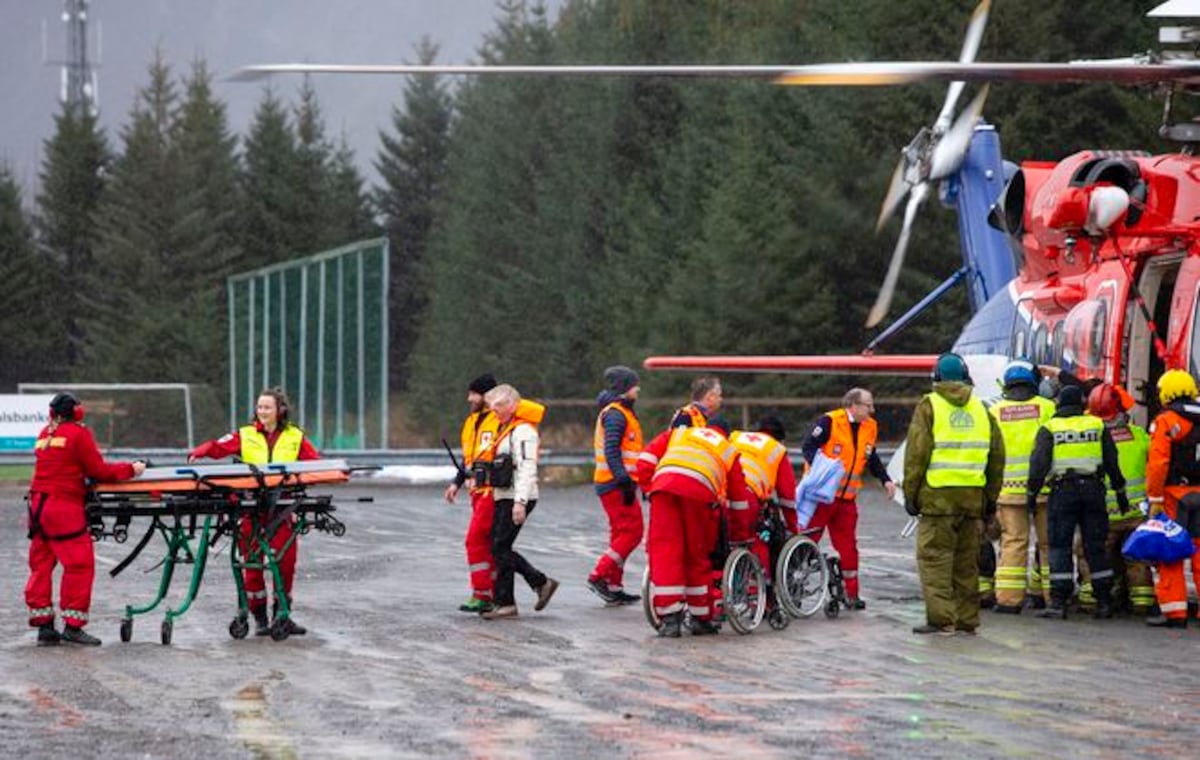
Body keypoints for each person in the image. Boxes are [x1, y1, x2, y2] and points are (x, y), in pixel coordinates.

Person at [189, 387, 319, 637]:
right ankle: (259, 617)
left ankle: (283, 615)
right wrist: (200, 451)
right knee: (252, 564)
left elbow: (314, 463)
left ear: (280, 410)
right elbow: (219, 446)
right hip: (250, 509)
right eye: (260, 407)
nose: (262, 412)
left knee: (286, 563)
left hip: (282, 510)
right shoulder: (246, 434)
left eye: (267, 407)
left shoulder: (295, 436)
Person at [26, 393, 146, 646]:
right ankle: (73, 626)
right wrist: (131, 469)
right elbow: (99, 471)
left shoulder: (45, 434)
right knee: (79, 565)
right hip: (63, 509)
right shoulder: (77, 434)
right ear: (77, 412)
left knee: (41, 565)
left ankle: (44, 627)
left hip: (38, 507)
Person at [903, 353, 1005, 636]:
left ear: (936, 377)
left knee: (935, 561)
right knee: (966, 565)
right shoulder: (982, 408)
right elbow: (997, 457)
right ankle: (967, 620)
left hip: (937, 500)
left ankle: (940, 620)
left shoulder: (929, 406)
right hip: (972, 501)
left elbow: (916, 454)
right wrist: (989, 501)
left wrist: (911, 496)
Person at [638, 420, 751, 637]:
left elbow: (644, 462)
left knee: (664, 552)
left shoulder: (679, 434)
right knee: (696, 554)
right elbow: (739, 501)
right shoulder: (728, 449)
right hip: (699, 494)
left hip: (664, 489)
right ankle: (701, 617)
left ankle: (670, 619)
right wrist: (740, 535)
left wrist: (650, 489)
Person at [1025, 384, 1129, 620]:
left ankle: (1058, 603)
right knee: (1095, 546)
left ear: (1059, 403)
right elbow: (1112, 462)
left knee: (1060, 546)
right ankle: (1104, 601)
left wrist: (1031, 495)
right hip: (1093, 490)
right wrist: (1120, 493)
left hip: (1063, 492)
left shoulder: (1050, 427)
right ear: (1082, 405)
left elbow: (1038, 464)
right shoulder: (1097, 425)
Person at [800, 387, 897, 608]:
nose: (872, 410)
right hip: (821, 497)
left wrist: (885, 479)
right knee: (807, 540)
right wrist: (822, 471)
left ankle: (851, 594)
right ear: (853, 405)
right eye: (868, 405)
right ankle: (793, 583)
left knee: (848, 547)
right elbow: (808, 447)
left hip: (846, 500)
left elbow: (870, 456)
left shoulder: (870, 427)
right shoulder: (829, 422)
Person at [478, 384, 558, 620]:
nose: (495, 411)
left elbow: (526, 468)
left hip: (517, 497)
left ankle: (538, 584)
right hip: (504, 495)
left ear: (514, 404)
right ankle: (507, 601)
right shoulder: (506, 428)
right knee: (499, 547)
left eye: (500, 406)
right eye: (492, 407)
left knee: (499, 547)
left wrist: (520, 502)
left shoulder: (523, 432)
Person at [988, 358, 1056, 614]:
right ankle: (1052, 597)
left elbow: (990, 453)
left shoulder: (994, 412)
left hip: (1008, 491)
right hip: (1045, 490)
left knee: (1013, 542)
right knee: (1048, 544)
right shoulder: (1048, 408)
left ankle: (1008, 600)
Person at [1080, 383, 1154, 616]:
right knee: (1137, 557)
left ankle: (1091, 597)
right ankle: (1142, 601)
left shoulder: (1090, 439)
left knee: (1091, 553)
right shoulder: (1140, 436)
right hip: (1136, 513)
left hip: (1104, 514)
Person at [1143, 370, 1200, 628]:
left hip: (1174, 495)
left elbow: (1158, 463)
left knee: (1171, 553)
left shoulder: (1166, 421)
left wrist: (1154, 496)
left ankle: (1174, 613)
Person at [586, 366, 645, 606]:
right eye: (634, 385)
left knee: (620, 534)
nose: (638, 389)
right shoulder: (616, 414)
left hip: (614, 483)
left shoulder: (620, 412)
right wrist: (624, 480)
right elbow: (612, 451)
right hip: (616, 484)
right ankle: (598, 576)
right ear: (624, 388)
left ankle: (613, 584)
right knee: (632, 533)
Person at [444, 373, 501, 613]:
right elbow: (470, 460)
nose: (469, 399)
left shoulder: (499, 420)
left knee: (475, 540)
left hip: (493, 491)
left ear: (486, 396)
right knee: (490, 544)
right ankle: (495, 593)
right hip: (476, 492)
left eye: (473, 394)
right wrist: (457, 483)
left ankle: (482, 594)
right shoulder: (471, 422)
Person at [730, 416, 799, 586]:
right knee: (758, 538)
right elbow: (787, 496)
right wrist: (793, 528)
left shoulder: (735, 437)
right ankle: (762, 592)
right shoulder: (776, 449)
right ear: (780, 437)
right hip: (749, 495)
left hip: (719, 492)